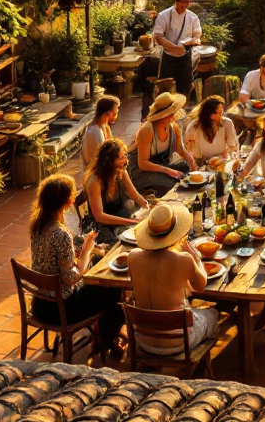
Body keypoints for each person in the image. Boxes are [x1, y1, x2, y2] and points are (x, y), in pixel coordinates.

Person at [29, 174, 125, 356]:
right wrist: (87, 250)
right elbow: (71, 279)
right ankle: (107, 340)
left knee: (99, 272)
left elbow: (53, 260)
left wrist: (76, 254)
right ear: (66, 200)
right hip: (59, 310)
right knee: (112, 288)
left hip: (40, 303)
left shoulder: (37, 225)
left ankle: (102, 333)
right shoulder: (61, 234)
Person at [127, 203, 219, 356]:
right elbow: (201, 286)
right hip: (178, 342)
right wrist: (196, 258)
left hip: (143, 340)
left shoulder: (133, 256)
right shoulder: (184, 259)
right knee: (214, 313)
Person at [128, 92, 197, 196]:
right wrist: (168, 171)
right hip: (142, 171)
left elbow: (181, 150)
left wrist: (191, 161)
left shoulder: (173, 128)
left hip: (160, 165)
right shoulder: (147, 130)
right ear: (161, 116)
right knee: (172, 182)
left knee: (185, 168)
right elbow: (143, 163)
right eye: (170, 114)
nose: (173, 116)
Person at [83, 139, 150, 244]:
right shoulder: (95, 182)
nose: (125, 160)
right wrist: (133, 222)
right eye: (121, 157)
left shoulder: (120, 172)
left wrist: (145, 204)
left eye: (125, 155)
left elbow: (134, 194)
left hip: (121, 218)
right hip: (103, 226)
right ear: (108, 161)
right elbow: (99, 216)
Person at [153, 0, 202, 98]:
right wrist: (174, 47)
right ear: (176, 0)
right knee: (165, 91)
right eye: (182, 2)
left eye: (187, 2)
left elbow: (197, 36)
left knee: (184, 90)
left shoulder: (193, 17)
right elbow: (159, 37)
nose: (184, 5)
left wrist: (194, 41)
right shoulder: (164, 15)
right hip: (168, 57)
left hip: (184, 58)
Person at [184, 95, 240, 168]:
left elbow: (234, 146)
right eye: (219, 113)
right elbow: (188, 148)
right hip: (201, 164)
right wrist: (193, 162)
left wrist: (227, 150)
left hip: (221, 162)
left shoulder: (227, 123)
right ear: (211, 115)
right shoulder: (194, 126)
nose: (222, 115)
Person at [83, 95, 119, 167]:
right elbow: (99, 160)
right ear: (108, 112)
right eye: (115, 111)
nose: (117, 113)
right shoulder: (95, 132)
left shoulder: (103, 126)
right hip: (96, 173)